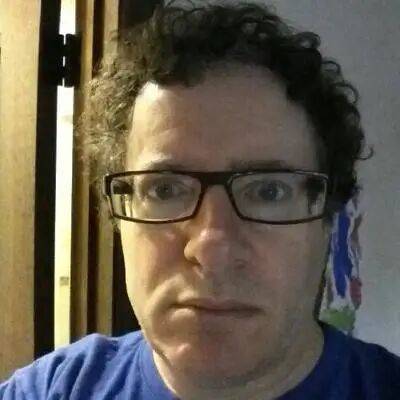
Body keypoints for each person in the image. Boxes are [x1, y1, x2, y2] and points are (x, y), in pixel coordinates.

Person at [1, 1, 399, 399]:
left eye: (268, 191)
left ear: (328, 219)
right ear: (119, 215)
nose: (211, 248)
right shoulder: (49, 390)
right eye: (165, 190)